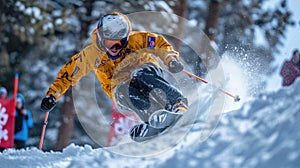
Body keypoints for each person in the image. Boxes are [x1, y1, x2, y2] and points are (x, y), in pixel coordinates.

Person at [41, 12, 188, 142]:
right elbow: (68, 73)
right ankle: (154, 118)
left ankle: (176, 102)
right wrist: (53, 95)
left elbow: (159, 44)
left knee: (139, 75)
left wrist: (170, 59)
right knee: (125, 91)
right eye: (111, 43)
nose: (115, 48)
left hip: (144, 69)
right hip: (118, 85)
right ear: (100, 38)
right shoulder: (91, 54)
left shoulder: (136, 39)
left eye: (120, 43)